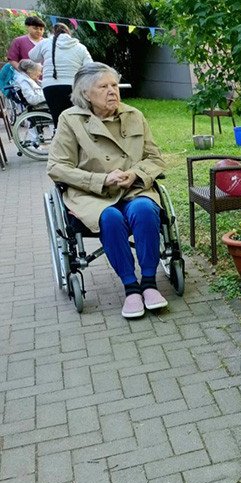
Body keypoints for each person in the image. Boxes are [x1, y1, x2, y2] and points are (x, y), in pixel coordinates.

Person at [47, 62, 168, 319]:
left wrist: (135, 173)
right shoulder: (70, 120)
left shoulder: (134, 115)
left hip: (133, 189)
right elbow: (57, 167)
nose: (112, 91)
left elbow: (155, 158)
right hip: (92, 194)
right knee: (110, 218)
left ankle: (148, 282)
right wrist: (100, 180)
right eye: (103, 86)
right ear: (85, 93)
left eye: (114, 85)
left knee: (146, 209)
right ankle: (130, 287)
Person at [28, 22, 92, 126]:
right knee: (76, 118)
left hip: (50, 87)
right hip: (73, 86)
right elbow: (89, 67)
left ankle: (61, 138)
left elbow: (32, 56)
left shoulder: (45, 43)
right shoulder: (80, 47)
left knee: (58, 119)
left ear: (53, 32)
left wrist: (42, 44)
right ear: (69, 33)